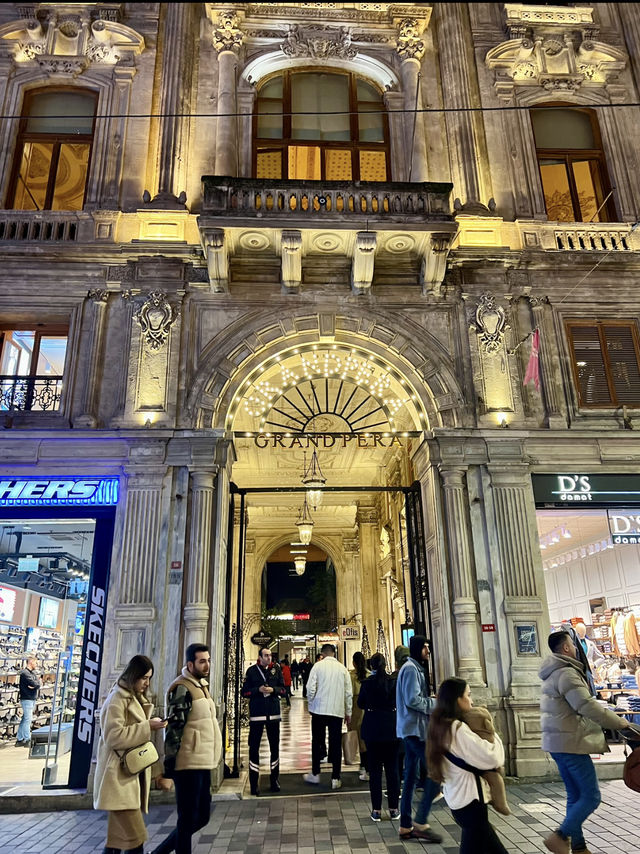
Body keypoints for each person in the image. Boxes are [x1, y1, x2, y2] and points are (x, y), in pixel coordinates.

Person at [540, 630, 640, 854]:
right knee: (591, 796)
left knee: (575, 796)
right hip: (571, 743)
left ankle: (578, 846)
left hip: (558, 743)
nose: (576, 650)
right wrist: (620, 723)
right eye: (573, 646)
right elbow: (586, 705)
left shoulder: (553, 673)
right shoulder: (566, 673)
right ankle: (561, 835)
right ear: (566, 648)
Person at [151, 644, 222, 854]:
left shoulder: (200, 686)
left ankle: (159, 852)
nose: (207, 664)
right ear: (190, 664)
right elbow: (174, 730)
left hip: (203, 760)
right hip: (188, 762)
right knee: (188, 817)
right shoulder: (181, 687)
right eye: (202, 661)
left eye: (208, 660)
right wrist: (169, 770)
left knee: (201, 816)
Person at [93, 655, 167, 854]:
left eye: (149, 678)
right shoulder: (117, 699)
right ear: (133, 675)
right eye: (144, 677)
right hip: (116, 776)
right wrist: (147, 726)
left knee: (117, 842)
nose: (147, 683)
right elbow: (113, 736)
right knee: (135, 838)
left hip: (128, 775)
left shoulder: (134, 697)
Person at [426, 678, 507, 854]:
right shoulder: (457, 729)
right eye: (468, 695)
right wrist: (493, 735)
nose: (471, 701)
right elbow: (492, 757)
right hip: (471, 801)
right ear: (457, 700)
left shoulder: (439, 725)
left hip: (458, 799)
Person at [396, 635, 442, 843]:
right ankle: (421, 821)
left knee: (411, 779)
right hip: (413, 730)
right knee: (435, 773)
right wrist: (434, 704)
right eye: (425, 647)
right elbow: (412, 699)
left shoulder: (413, 668)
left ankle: (406, 825)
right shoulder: (410, 670)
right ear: (416, 649)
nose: (428, 651)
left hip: (413, 729)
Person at [358, 652, 401, 822]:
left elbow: (360, 703)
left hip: (373, 729)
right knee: (392, 770)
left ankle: (376, 810)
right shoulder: (393, 682)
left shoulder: (367, 683)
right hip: (391, 728)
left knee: (375, 772)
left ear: (372, 666)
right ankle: (393, 809)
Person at [303, 643, 352, 789]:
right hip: (336, 711)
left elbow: (310, 688)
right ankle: (335, 778)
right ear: (334, 653)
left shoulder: (317, 667)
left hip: (319, 710)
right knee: (335, 743)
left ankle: (315, 773)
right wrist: (348, 712)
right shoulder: (343, 669)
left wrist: (311, 704)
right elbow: (348, 693)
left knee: (317, 741)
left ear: (322, 654)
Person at [241, 647, 286, 795]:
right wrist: (257, 690)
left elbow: (284, 689)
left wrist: (273, 690)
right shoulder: (252, 671)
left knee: (275, 748)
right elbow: (244, 692)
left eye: (270, 655)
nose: (269, 658)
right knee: (254, 748)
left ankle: (275, 780)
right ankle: (254, 783)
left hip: (273, 715)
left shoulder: (276, 669)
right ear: (259, 657)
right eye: (265, 655)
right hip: (257, 715)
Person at [459, 704, 510, 815]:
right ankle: (500, 803)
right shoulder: (459, 728)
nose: (471, 701)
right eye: (468, 695)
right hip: (471, 795)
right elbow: (494, 758)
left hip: (465, 795)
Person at [349, 651, 370, 781]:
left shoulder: (351, 676)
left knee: (355, 738)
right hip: (367, 709)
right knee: (365, 739)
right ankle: (366, 766)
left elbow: (349, 694)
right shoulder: (369, 675)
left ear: (354, 663)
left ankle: (361, 765)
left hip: (355, 708)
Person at [16, 656, 40, 747]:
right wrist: (35, 684)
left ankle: (19, 738)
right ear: (31, 662)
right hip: (27, 699)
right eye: (35, 662)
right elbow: (34, 683)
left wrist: (36, 684)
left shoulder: (32, 673)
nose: (36, 664)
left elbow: (37, 683)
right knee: (28, 719)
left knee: (24, 719)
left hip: (31, 698)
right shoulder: (25, 673)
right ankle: (27, 739)